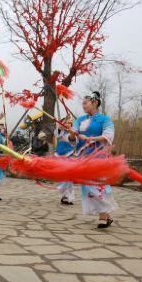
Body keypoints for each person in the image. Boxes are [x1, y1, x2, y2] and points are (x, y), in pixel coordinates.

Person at [68, 91, 117, 228]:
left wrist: (91, 138)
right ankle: (106, 216)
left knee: (99, 184)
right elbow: (73, 138)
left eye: (86, 103)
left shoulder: (105, 120)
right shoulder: (79, 120)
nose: (83, 105)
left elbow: (108, 136)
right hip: (84, 157)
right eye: (82, 103)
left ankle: (103, 216)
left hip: (100, 157)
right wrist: (72, 135)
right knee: (89, 186)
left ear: (95, 103)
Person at [55, 117, 75, 205]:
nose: (67, 124)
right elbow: (57, 134)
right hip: (60, 156)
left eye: (69, 123)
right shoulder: (59, 132)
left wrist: (72, 132)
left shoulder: (73, 133)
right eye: (65, 123)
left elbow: (73, 140)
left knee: (69, 177)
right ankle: (64, 196)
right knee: (62, 176)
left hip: (69, 155)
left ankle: (68, 197)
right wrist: (60, 126)